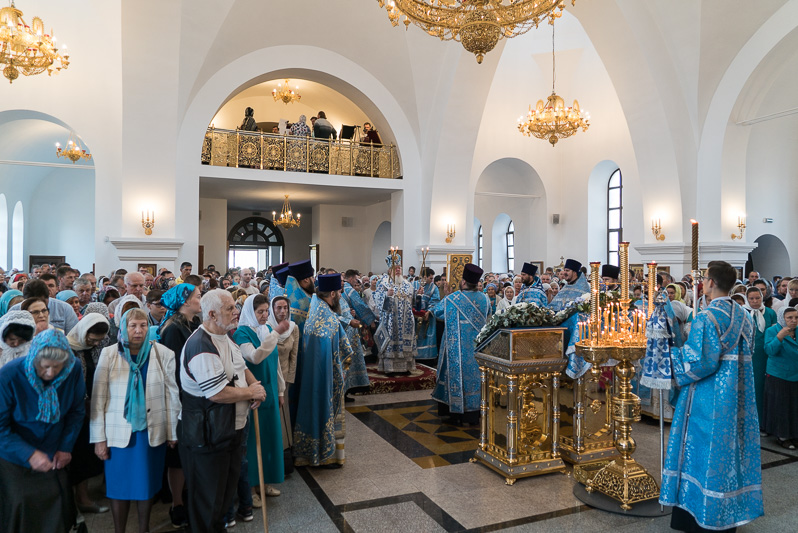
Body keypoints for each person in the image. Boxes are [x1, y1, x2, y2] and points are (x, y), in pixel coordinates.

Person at [660, 261, 763, 532]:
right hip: (737, 397)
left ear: (711, 283)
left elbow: (700, 362)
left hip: (707, 397)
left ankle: (701, 515)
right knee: (730, 453)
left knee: (701, 453)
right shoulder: (743, 314)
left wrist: (672, 352)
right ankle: (729, 513)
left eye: (705, 278)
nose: (703, 282)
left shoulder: (707, 317)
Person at [177, 289, 266, 533]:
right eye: (230, 309)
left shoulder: (225, 336)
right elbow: (216, 393)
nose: (236, 312)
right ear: (213, 314)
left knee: (224, 497)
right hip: (207, 436)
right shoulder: (201, 345)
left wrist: (253, 384)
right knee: (209, 502)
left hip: (228, 432)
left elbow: (241, 365)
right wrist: (251, 394)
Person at [91, 308, 180, 533]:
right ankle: (119, 530)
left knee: (146, 485)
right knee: (118, 487)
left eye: (142, 325)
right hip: (118, 433)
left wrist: (172, 431)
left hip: (150, 432)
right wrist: (98, 439)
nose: (138, 331)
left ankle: (144, 528)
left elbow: (172, 395)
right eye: (133, 326)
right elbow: (98, 399)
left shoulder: (163, 354)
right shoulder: (110, 354)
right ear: (123, 328)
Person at [0, 329, 85, 532]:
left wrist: (65, 447)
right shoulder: (10, 375)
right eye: (44, 367)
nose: (50, 373)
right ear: (33, 358)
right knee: (20, 501)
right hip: (14, 452)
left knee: (58, 500)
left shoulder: (72, 369)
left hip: (53, 447)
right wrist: (29, 454)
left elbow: (76, 412)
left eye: (57, 367)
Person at [233, 295, 289, 510]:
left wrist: (281, 390)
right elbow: (255, 357)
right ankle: (250, 489)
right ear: (250, 312)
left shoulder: (265, 330)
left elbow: (275, 364)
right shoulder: (242, 333)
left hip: (271, 391)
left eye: (267, 311)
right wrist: (275, 334)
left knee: (268, 438)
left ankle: (264, 482)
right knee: (253, 441)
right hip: (254, 392)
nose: (265, 315)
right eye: (260, 312)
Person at [293, 273, 354, 467]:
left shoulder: (315, 309)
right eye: (339, 293)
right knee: (322, 407)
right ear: (334, 293)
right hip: (324, 376)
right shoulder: (327, 319)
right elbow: (345, 351)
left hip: (313, 375)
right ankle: (323, 453)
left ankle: (310, 451)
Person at [156, 282, 201, 528]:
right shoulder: (173, 328)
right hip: (180, 397)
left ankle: (188, 496)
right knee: (177, 457)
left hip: (193, 395)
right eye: (198, 295)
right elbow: (172, 371)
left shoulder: (193, 323)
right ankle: (177, 503)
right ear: (185, 302)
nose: (201, 297)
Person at [430, 263, 490, 426]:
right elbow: (489, 319)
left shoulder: (453, 299)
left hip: (455, 349)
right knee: (475, 379)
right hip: (477, 349)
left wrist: (446, 295)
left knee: (455, 377)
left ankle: (455, 414)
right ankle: (473, 414)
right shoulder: (485, 299)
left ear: (463, 282)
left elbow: (436, 312)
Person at [67, 311, 112, 515]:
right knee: (78, 455)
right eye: (92, 340)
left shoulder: (98, 349)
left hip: (94, 408)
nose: (95, 344)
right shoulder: (68, 348)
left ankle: (84, 496)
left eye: (99, 341)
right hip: (74, 410)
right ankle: (80, 499)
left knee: (88, 454)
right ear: (83, 332)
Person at [267, 295, 299, 464]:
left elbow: (294, 357)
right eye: (278, 308)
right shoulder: (266, 328)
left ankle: (284, 454)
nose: (282, 311)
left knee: (283, 415)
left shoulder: (293, 328)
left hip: (284, 380)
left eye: (285, 308)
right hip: (269, 378)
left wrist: (289, 380)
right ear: (272, 310)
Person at [762, 306, 798, 449]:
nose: (793, 321)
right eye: (789, 318)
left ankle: (795, 434)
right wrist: (779, 337)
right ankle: (782, 436)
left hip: (795, 373)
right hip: (779, 374)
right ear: (782, 318)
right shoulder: (772, 331)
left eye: (796, 317)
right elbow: (769, 350)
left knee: (794, 406)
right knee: (781, 406)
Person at [374, 261, 417, 375]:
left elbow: (413, 301)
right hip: (390, 320)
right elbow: (377, 300)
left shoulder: (407, 284)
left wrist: (419, 295)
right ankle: (390, 368)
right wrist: (386, 295)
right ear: (390, 270)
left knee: (405, 342)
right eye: (395, 268)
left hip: (405, 320)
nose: (398, 270)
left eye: (399, 268)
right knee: (391, 342)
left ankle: (405, 368)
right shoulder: (383, 283)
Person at [745, 286, 778, 429]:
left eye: (757, 298)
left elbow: (773, 333)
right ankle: (748, 420)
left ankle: (762, 421)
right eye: (751, 298)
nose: (755, 301)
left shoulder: (770, 313)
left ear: (762, 297)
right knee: (749, 387)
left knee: (762, 387)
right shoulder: (743, 312)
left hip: (764, 355)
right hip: (748, 355)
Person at [12, 279, 79, 334]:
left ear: (48, 296)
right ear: (25, 299)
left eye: (44, 310)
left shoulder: (65, 309)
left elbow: (74, 338)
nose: (41, 315)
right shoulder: (14, 311)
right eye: (32, 304)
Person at [412, 267, 440, 361]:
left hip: (427, 316)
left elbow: (435, 301)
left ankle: (427, 358)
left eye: (432, 278)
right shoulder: (414, 284)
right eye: (430, 278)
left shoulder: (433, 287)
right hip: (414, 316)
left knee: (426, 336)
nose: (432, 280)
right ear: (424, 277)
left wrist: (429, 311)